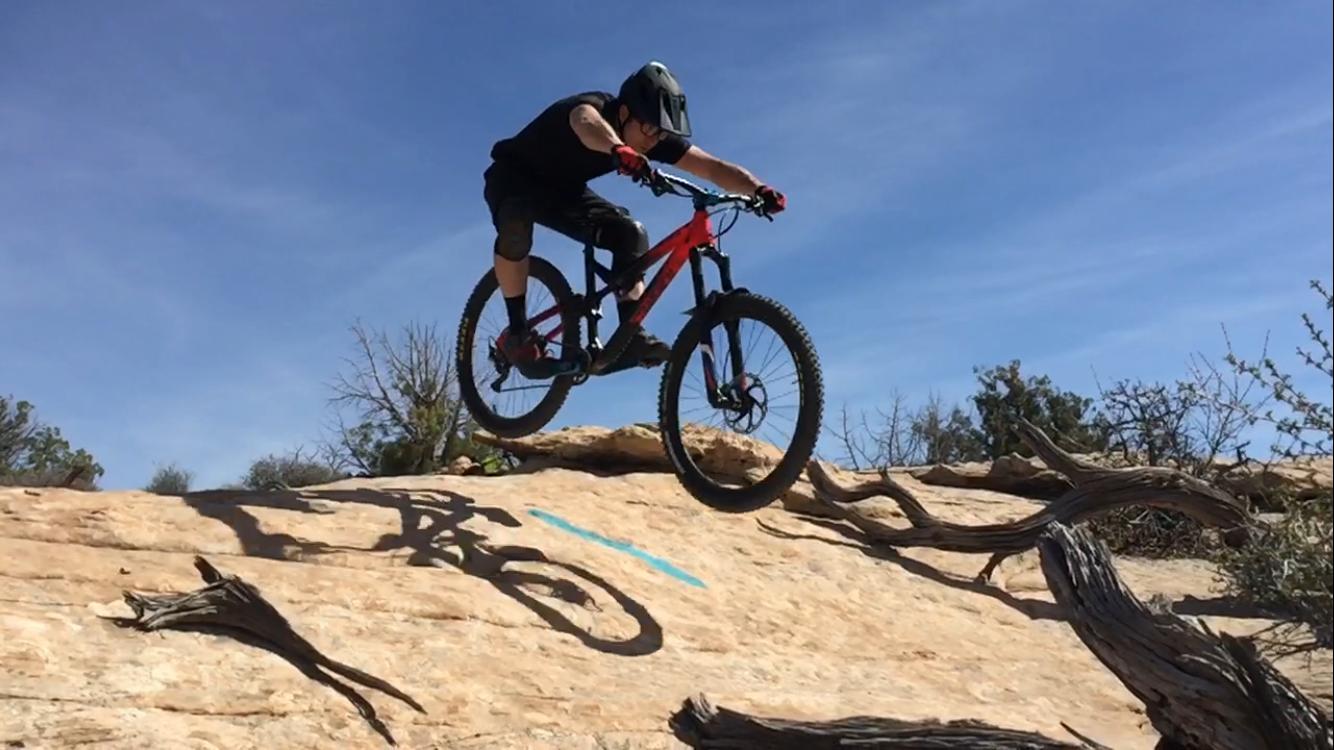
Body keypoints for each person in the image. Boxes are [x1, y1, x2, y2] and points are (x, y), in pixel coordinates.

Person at [483, 60, 786, 379]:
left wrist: (759, 189)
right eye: (650, 129)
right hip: (513, 178)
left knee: (629, 233)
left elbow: (713, 168)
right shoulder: (593, 108)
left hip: (562, 193)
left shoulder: (649, 135)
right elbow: (584, 122)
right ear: (625, 112)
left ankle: (631, 338)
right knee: (516, 225)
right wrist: (617, 148)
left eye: (661, 133)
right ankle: (517, 331)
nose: (654, 140)